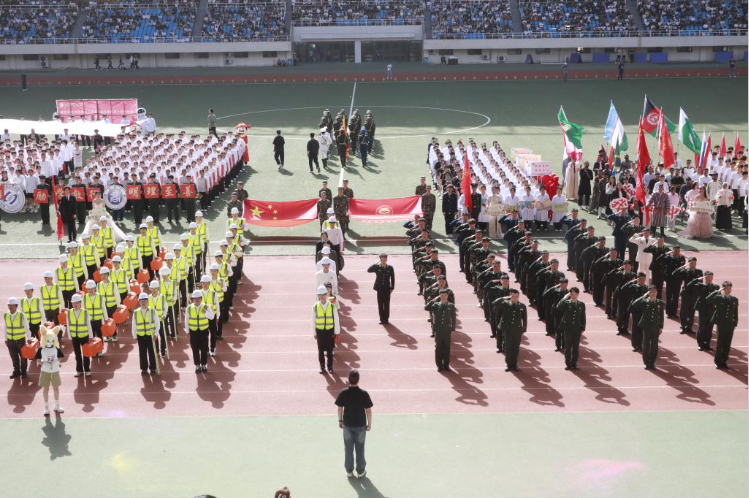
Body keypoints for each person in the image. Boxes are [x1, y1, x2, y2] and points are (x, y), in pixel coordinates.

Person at [335, 369, 373, 479]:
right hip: (360, 426)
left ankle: (349, 471)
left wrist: (340, 420)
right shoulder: (364, 394)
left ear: (348, 379)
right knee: (360, 449)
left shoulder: (343, 393)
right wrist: (369, 423)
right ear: (358, 379)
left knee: (348, 448)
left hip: (347, 425)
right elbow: (368, 410)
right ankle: (361, 471)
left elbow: (340, 408)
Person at [631, 285, 664, 370]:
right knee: (646, 345)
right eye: (651, 292)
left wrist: (661, 327)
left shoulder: (660, 303)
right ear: (649, 293)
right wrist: (644, 296)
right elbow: (634, 304)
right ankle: (646, 362)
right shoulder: (645, 302)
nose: (653, 293)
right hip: (646, 327)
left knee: (654, 346)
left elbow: (661, 316)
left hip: (655, 327)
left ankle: (652, 363)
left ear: (657, 292)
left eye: (655, 292)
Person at [707, 282, 739, 369]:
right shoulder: (719, 298)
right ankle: (718, 362)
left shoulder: (734, 299)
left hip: (730, 325)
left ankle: (724, 360)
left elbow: (735, 313)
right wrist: (717, 291)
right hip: (721, 324)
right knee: (720, 343)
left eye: (730, 288)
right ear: (723, 289)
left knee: (727, 344)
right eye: (727, 288)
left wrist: (735, 324)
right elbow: (708, 298)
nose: (729, 290)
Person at [495, 289, 527, 372]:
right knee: (508, 347)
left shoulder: (522, 306)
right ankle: (508, 364)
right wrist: (504, 298)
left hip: (517, 330)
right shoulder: (505, 304)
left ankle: (515, 364)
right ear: (510, 296)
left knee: (516, 348)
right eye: (513, 296)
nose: (515, 298)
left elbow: (524, 318)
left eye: (516, 296)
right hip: (508, 330)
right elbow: (494, 303)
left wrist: (524, 328)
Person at [425, 289, 457, 372]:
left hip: (446, 330)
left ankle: (446, 365)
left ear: (447, 296)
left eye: (445, 295)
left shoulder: (451, 306)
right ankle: (439, 365)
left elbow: (453, 316)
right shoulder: (435, 305)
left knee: (447, 347)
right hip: (438, 330)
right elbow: (426, 308)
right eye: (442, 295)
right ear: (439, 296)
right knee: (438, 347)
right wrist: (433, 300)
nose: (443, 297)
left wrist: (453, 327)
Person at [36, 327, 64, 416]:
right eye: (48, 340)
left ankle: (57, 406)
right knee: (46, 388)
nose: (50, 342)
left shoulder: (56, 348)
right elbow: (38, 360)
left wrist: (57, 362)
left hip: (55, 370)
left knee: (56, 388)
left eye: (52, 340)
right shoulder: (41, 349)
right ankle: (46, 407)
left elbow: (61, 357)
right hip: (45, 371)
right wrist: (44, 363)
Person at [556, 287, 586, 370]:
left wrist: (583, 328)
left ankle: (574, 363)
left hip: (577, 329)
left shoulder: (581, 304)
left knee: (576, 348)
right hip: (568, 329)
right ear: (570, 294)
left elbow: (583, 317)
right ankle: (568, 364)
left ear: (578, 294)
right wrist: (564, 297)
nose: (574, 295)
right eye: (572, 294)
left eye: (576, 294)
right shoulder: (566, 303)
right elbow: (558, 307)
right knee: (568, 347)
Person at [186, 290, 214, 373]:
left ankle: (204, 365)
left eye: (198, 298)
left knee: (204, 348)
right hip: (193, 331)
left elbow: (212, 317)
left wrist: (206, 313)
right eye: (195, 298)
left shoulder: (206, 306)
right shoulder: (189, 308)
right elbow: (186, 320)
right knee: (195, 349)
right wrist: (187, 331)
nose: (197, 300)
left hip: (203, 331)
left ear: (201, 298)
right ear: (192, 299)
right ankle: (197, 365)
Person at [131, 293, 159, 375]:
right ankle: (144, 369)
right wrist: (134, 335)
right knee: (142, 353)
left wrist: (156, 334)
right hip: (141, 335)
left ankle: (153, 368)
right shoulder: (136, 312)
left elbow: (157, 323)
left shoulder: (153, 311)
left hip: (151, 335)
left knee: (152, 352)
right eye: (141, 301)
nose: (143, 302)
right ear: (139, 302)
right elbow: (134, 324)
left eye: (145, 300)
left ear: (147, 301)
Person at [314, 285, 339, 374]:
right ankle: (322, 366)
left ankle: (330, 366)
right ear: (318, 296)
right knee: (320, 350)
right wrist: (314, 332)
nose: (322, 296)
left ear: (326, 294)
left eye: (323, 294)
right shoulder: (315, 306)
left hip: (329, 330)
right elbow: (313, 320)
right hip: (320, 331)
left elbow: (336, 319)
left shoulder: (332, 306)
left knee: (329, 349)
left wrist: (337, 332)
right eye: (320, 295)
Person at [66, 294, 92, 377]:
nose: (75, 304)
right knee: (77, 354)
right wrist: (69, 336)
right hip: (74, 336)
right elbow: (68, 324)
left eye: (77, 302)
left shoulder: (85, 312)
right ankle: (79, 370)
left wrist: (91, 336)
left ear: (80, 303)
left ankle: (87, 370)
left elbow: (88, 324)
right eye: (73, 303)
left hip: (84, 336)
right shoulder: (69, 312)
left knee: (86, 354)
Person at [4, 297, 31, 379]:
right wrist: (6, 339)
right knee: (14, 358)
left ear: (16, 306)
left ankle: (23, 372)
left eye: (12, 305)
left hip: (20, 341)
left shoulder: (22, 315)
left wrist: (29, 338)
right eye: (9, 305)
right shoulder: (6, 315)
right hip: (10, 341)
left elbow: (27, 327)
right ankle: (16, 371)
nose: (10, 307)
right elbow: (5, 327)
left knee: (23, 357)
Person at [367, 254, 395, 325]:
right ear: (380, 260)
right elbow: (368, 270)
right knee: (380, 303)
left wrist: (392, 287)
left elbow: (392, 278)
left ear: (386, 259)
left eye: (384, 259)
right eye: (382, 259)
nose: (383, 261)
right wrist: (375, 264)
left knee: (387, 304)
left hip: (387, 288)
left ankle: (386, 319)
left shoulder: (390, 268)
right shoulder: (377, 267)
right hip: (379, 288)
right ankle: (381, 319)